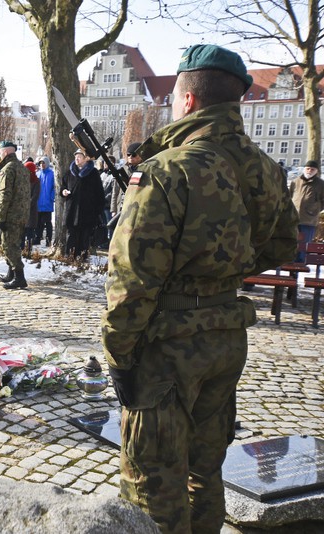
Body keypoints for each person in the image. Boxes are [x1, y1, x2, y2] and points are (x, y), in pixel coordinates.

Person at [101, 44, 298, 533]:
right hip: (227, 336)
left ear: (187, 101)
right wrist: (225, 269)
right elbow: (283, 244)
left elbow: (130, 280)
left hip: (167, 347)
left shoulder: (168, 170)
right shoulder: (268, 171)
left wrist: (118, 356)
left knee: (151, 484)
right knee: (203, 473)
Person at [0, 141, 30, 289]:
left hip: (11, 214)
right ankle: (11, 273)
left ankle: (19, 277)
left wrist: (1, 217)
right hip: (21, 213)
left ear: (5, 152)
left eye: (0, 151)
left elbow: (4, 195)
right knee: (13, 244)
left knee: (9, 246)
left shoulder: (8, 169)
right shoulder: (22, 168)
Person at [60, 149, 105, 259]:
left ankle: (82, 256)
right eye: (76, 156)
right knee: (71, 234)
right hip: (72, 209)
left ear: (86, 159)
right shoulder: (69, 172)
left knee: (85, 235)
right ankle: (69, 255)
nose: (76, 158)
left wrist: (98, 210)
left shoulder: (93, 173)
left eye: (79, 156)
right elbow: (63, 187)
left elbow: (99, 193)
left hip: (87, 211)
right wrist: (63, 192)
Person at [288, 160, 324, 263]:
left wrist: (314, 210)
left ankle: (298, 269)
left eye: (312, 169)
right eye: (308, 168)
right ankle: (290, 268)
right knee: (291, 245)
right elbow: (289, 197)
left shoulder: (321, 184)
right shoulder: (296, 181)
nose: (309, 171)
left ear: (316, 171)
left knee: (303, 247)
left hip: (308, 221)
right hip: (293, 219)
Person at [110, 142, 142, 228]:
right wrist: (113, 209)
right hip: (121, 206)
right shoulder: (122, 169)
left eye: (134, 154)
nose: (130, 157)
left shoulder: (145, 169)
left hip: (137, 208)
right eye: (128, 154)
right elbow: (115, 191)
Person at [35, 157, 56, 246]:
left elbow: (54, 187)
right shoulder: (38, 174)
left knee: (48, 222)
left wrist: (51, 197)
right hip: (39, 203)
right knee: (38, 223)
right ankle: (38, 238)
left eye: (43, 163)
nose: (42, 165)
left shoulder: (52, 174)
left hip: (47, 203)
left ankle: (48, 239)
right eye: (40, 163)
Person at [23, 160, 41, 252]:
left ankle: (28, 250)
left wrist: (27, 204)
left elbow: (35, 196)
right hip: (21, 210)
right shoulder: (22, 180)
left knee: (30, 232)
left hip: (31, 210)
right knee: (22, 232)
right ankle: (21, 249)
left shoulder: (36, 181)